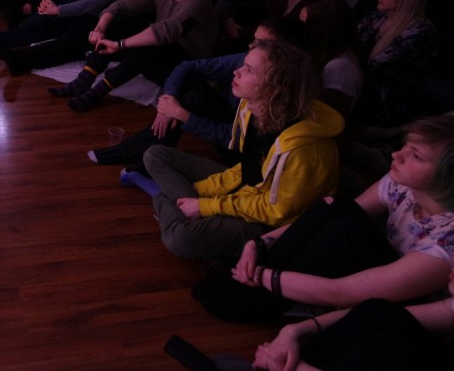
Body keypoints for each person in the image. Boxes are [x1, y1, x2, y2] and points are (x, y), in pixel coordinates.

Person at [194, 111, 454, 325]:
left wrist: (262, 276)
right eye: (406, 146)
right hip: (372, 267)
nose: (397, 155)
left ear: (453, 179)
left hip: (401, 312)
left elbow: (342, 292)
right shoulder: (406, 183)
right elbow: (333, 211)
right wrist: (260, 243)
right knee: (337, 206)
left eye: (416, 155)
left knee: (348, 231)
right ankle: (248, 278)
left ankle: (255, 296)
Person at [142, 39, 342, 259]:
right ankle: (182, 208)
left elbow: (275, 211)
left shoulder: (304, 151)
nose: (236, 72)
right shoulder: (253, 110)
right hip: (246, 191)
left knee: (180, 238)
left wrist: (206, 205)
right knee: (155, 155)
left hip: (269, 225)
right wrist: (200, 195)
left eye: (248, 70)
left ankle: (171, 204)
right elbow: (247, 170)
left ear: (275, 89)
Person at [106, 19, 310, 194]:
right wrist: (168, 100)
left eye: (262, 43)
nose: (251, 46)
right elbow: (188, 66)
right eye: (254, 40)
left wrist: (183, 115)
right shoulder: (250, 64)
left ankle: (153, 179)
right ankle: (142, 161)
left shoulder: (281, 105)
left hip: (243, 163)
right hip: (236, 147)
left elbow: (239, 144)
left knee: (178, 225)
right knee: (187, 89)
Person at [255, 229, 454, 370]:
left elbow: (340, 292)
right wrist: (292, 332)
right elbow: (377, 313)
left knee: (386, 346)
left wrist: (290, 366)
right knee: (382, 314)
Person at [49, 0, 217, 113]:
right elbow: (118, 5)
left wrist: (120, 45)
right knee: (122, 21)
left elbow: (166, 31)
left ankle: (98, 91)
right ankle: (85, 79)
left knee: (150, 44)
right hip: (158, 59)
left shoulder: (198, 0)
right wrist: (99, 29)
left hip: (188, 66)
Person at [356, 0, 437, 126]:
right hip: (366, 91)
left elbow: (376, 66)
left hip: (389, 105)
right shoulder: (377, 17)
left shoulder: (419, 31)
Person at [300, 0, 362, 119]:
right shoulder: (324, 54)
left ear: (320, 30)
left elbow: (331, 115)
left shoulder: (340, 67)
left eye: (303, 24)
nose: (299, 29)